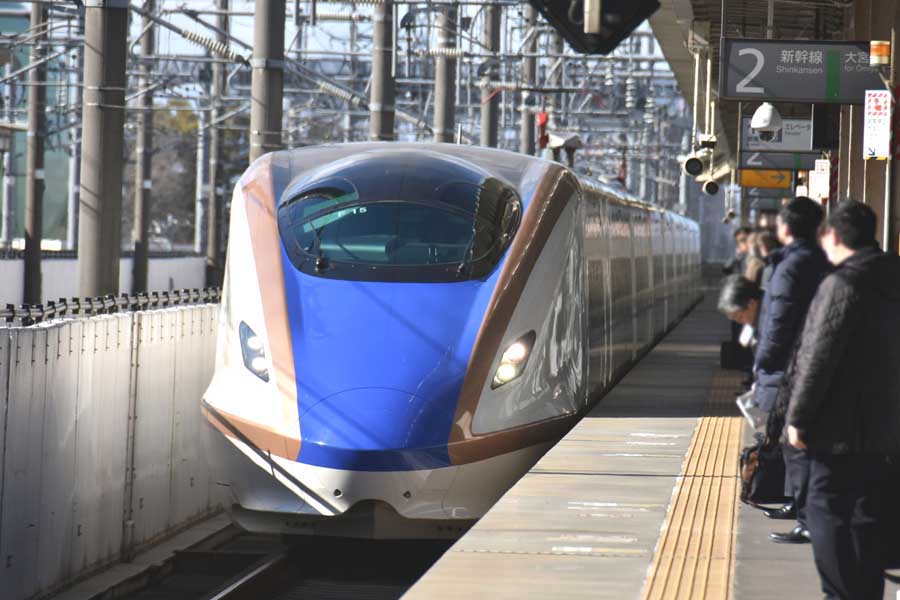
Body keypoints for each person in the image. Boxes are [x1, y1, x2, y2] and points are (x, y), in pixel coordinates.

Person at [754, 198, 830, 543]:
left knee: (794, 442)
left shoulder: (790, 265)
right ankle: (797, 506)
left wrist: (764, 360)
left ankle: (804, 515)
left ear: (785, 227)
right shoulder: (818, 260)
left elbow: (779, 321)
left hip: (788, 365)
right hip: (804, 360)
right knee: (796, 442)